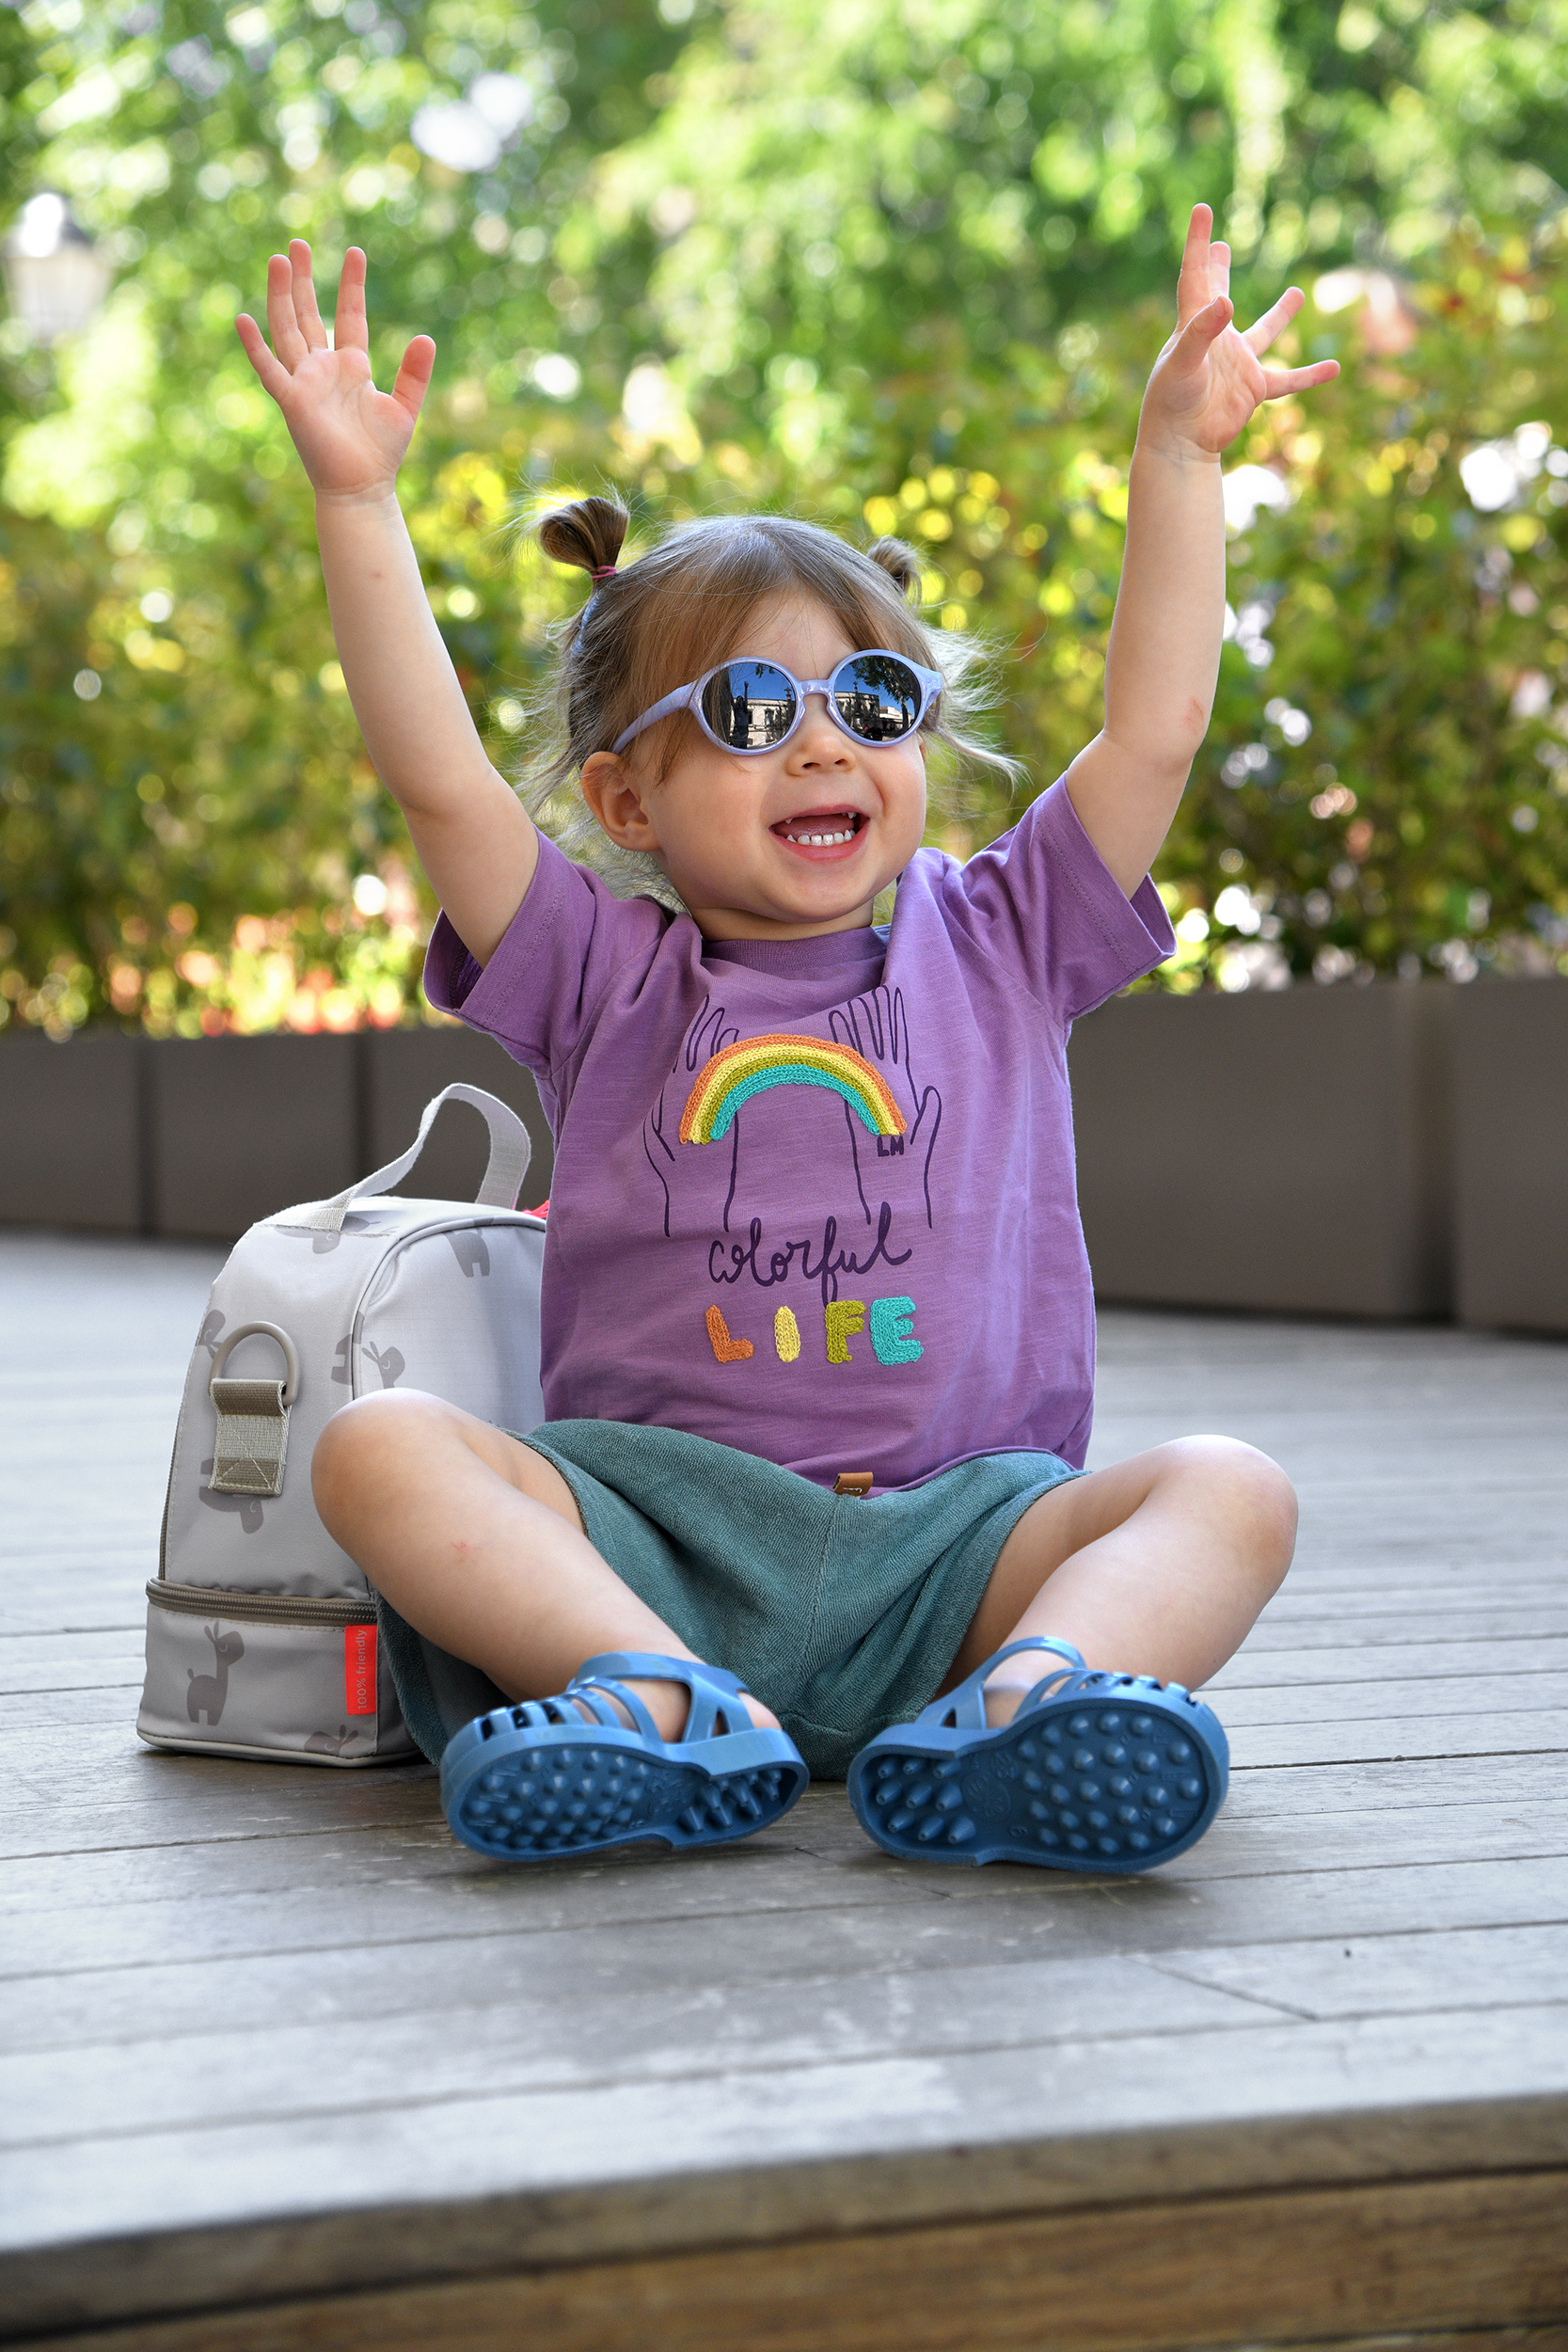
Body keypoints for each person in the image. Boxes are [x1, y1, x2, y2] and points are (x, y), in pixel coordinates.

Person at [238, 206, 1333, 1873]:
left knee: (1233, 1485)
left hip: (963, 1557)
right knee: (377, 1447)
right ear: (628, 800)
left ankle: (1030, 1707)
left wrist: (1180, 458)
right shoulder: (599, 973)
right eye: (752, 715)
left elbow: (1158, 727)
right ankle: (651, 1699)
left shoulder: (1009, 931)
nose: (823, 747)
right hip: (655, 1544)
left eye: (873, 704)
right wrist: (353, 500)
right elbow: (441, 783)